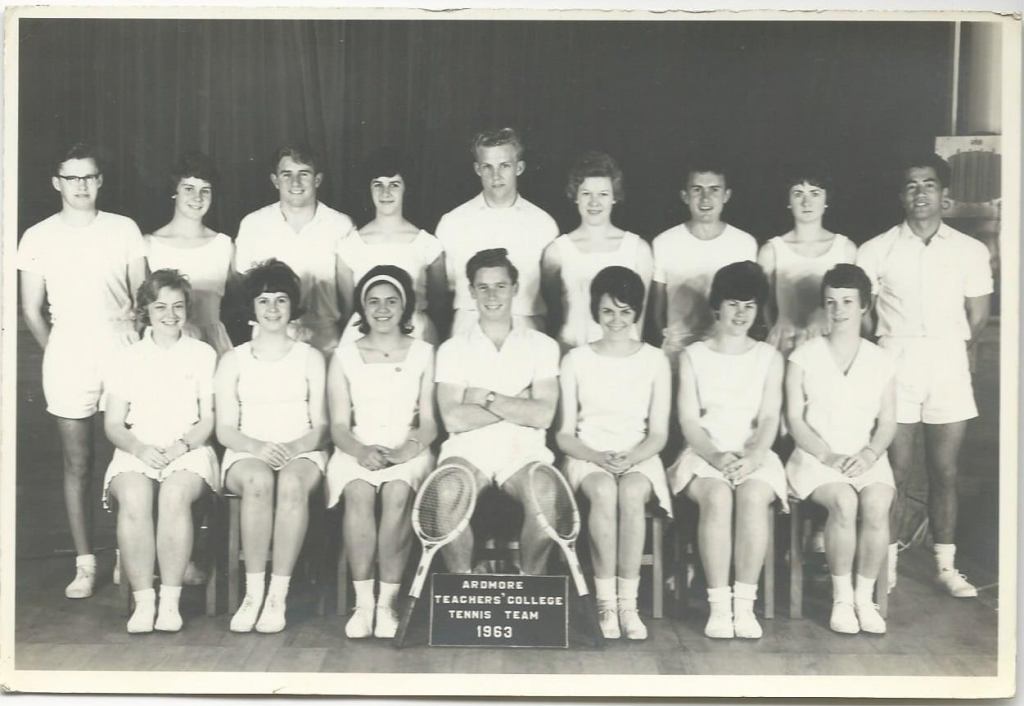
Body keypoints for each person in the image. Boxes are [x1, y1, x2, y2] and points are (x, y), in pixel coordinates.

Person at [856, 153, 992, 598]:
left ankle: (945, 566)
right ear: (901, 195)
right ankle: (887, 564)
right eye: (911, 185)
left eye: (929, 184)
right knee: (894, 470)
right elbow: (864, 316)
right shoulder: (876, 249)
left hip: (948, 364)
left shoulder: (971, 250)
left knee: (945, 471)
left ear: (944, 193)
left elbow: (977, 317)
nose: (920, 193)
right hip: (895, 362)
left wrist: (947, 349)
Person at [18, 142, 147, 599]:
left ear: (100, 181)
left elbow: (143, 297)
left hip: (121, 347)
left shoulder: (123, 229)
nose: (81, 185)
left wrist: (132, 343)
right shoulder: (37, 236)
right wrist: (59, 350)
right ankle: (86, 563)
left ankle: (128, 555)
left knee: (128, 456)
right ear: (57, 182)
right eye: (72, 178)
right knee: (78, 462)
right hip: (68, 351)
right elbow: (31, 310)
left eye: (89, 177)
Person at [669, 261, 786, 640]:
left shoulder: (769, 357)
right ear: (717, 306)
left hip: (755, 453)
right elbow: (689, 421)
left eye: (749, 306)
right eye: (733, 303)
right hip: (704, 453)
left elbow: (769, 418)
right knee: (718, 496)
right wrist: (716, 457)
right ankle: (719, 606)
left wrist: (753, 458)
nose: (740, 313)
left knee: (753, 496)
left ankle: (744, 606)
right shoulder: (693, 356)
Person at [556, 266, 671, 640]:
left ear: (637, 312)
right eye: (608, 311)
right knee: (605, 490)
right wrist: (596, 456)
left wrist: (632, 458)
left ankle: (628, 604)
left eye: (625, 311)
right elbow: (564, 435)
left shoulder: (655, 360)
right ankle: (605, 603)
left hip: (640, 454)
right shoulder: (576, 359)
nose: (616, 320)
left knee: (632, 491)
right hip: (587, 455)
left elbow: (658, 434)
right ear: (595, 310)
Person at [215, 259, 328, 633]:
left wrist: (294, 448)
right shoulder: (232, 360)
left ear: (292, 305)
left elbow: (322, 426)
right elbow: (225, 429)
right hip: (247, 451)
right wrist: (257, 446)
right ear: (252, 307)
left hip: (303, 450)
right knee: (259, 481)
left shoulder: (311, 358)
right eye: (263, 300)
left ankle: (277, 597)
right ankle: (253, 594)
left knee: (292, 483)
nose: (273, 308)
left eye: (281, 299)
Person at [102, 270, 218, 633]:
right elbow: (113, 424)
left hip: (189, 447)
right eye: (160, 306)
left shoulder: (202, 354)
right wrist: (139, 448)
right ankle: (144, 602)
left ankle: (169, 602)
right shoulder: (127, 357)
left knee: (174, 493)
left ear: (187, 309)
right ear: (145, 311)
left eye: (178, 306)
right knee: (134, 496)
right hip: (138, 447)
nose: (170, 314)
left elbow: (208, 418)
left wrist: (182, 445)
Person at [326, 266, 437, 639]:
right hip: (356, 447)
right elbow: (338, 425)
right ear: (362, 307)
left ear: (405, 307)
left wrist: (405, 451)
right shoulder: (344, 355)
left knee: (397, 493)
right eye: (373, 302)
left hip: (408, 448)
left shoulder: (424, 352)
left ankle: (386, 604)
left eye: (391, 301)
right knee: (358, 492)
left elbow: (430, 423)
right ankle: (363, 605)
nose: (382, 309)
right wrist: (360, 451)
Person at [785, 264, 897, 634]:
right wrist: (827, 456)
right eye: (831, 301)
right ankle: (842, 599)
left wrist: (868, 455)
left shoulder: (881, 359)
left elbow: (887, 422)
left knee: (877, 503)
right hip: (815, 457)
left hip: (866, 456)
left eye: (848, 301)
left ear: (864, 305)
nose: (839, 309)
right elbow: (794, 421)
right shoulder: (803, 356)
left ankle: (865, 599)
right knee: (845, 502)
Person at [434, 248, 560, 575]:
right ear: (471, 292)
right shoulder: (451, 349)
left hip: (524, 451)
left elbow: (544, 416)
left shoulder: (543, 346)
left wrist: (485, 398)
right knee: (446, 491)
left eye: (500, 286)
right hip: (468, 449)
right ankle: (464, 588)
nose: (492, 296)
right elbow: (452, 418)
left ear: (515, 288)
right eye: (483, 287)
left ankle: (528, 587)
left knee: (547, 495)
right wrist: (519, 403)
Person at [234, 144, 356, 357]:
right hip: (269, 336)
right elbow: (243, 286)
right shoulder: (253, 224)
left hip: (324, 338)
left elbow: (349, 296)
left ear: (317, 180)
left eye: (304, 174)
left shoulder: (340, 225)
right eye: (287, 174)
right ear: (275, 180)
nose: (295, 182)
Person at [436, 128, 558, 336]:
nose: (496, 176)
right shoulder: (452, 223)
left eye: (504, 165)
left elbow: (552, 293)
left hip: (526, 328)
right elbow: (444, 291)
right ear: (477, 169)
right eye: (487, 167)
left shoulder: (543, 224)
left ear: (519, 167)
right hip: (468, 328)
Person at [542, 152, 653, 352]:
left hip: (622, 353)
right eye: (586, 194)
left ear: (614, 197)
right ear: (575, 196)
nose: (594, 202)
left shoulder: (638, 249)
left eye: (603, 194)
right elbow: (552, 312)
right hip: (572, 350)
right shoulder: (557, 251)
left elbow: (639, 319)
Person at [650, 158, 757, 362]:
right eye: (697, 189)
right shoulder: (664, 242)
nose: (705, 198)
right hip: (676, 354)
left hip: (728, 354)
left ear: (726, 195)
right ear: (685, 196)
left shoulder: (744, 243)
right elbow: (657, 312)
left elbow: (751, 305)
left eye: (714, 190)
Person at [336, 147, 446, 344]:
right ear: (369, 189)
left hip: (416, 333)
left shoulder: (428, 245)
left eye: (394, 184)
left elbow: (439, 306)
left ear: (406, 188)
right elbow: (347, 310)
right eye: (378, 184)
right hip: (364, 334)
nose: (385, 192)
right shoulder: (349, 246)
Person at [757, 170, 857, 356]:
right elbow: (764, 305)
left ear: (826, 199)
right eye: (798, 193)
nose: (806, 202)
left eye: (815, 193)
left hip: (832, 345)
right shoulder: (771, 251)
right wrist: (776, 330)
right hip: (785, 345)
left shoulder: (845, 248)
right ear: (788, 201)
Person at [145, 152, 234, 357]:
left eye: (205, 190)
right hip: (164, 344)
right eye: (188, 188)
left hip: (213, 343)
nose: (197, 197)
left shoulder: (224, 245)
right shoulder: (150, 244)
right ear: (174, 192)